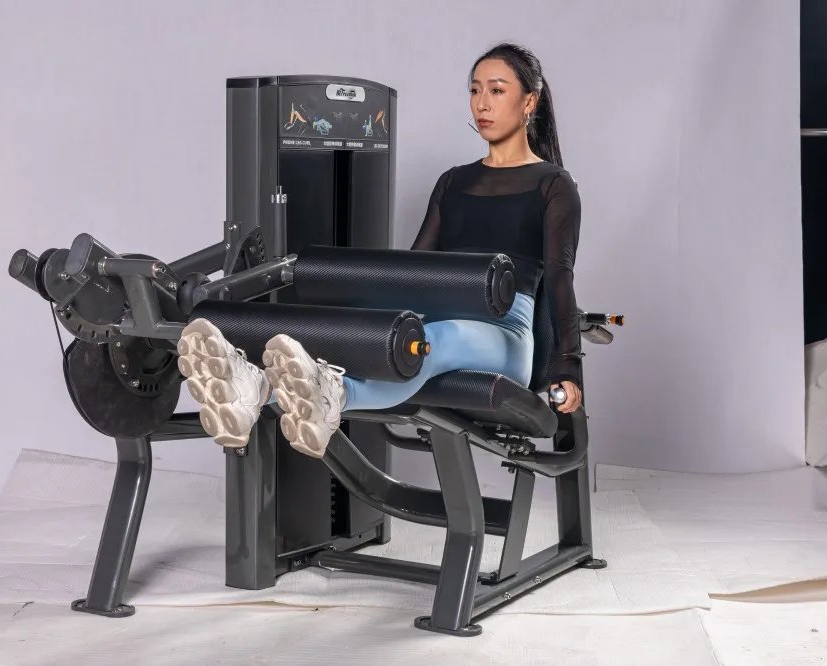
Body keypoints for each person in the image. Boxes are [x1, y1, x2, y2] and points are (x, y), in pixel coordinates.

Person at [177, 42, 584, 458]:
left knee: (429, 340)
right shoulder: (453, 182)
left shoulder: (553, 185)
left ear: (528, 101)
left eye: (496, 90)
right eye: (475, 90)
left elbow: (559, 277)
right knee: (361, 332)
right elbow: (413, 271)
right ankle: (255, 388)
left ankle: (337, 396)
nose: (482, 103)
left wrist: (567, 366)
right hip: (439, 317)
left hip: (506, 336)